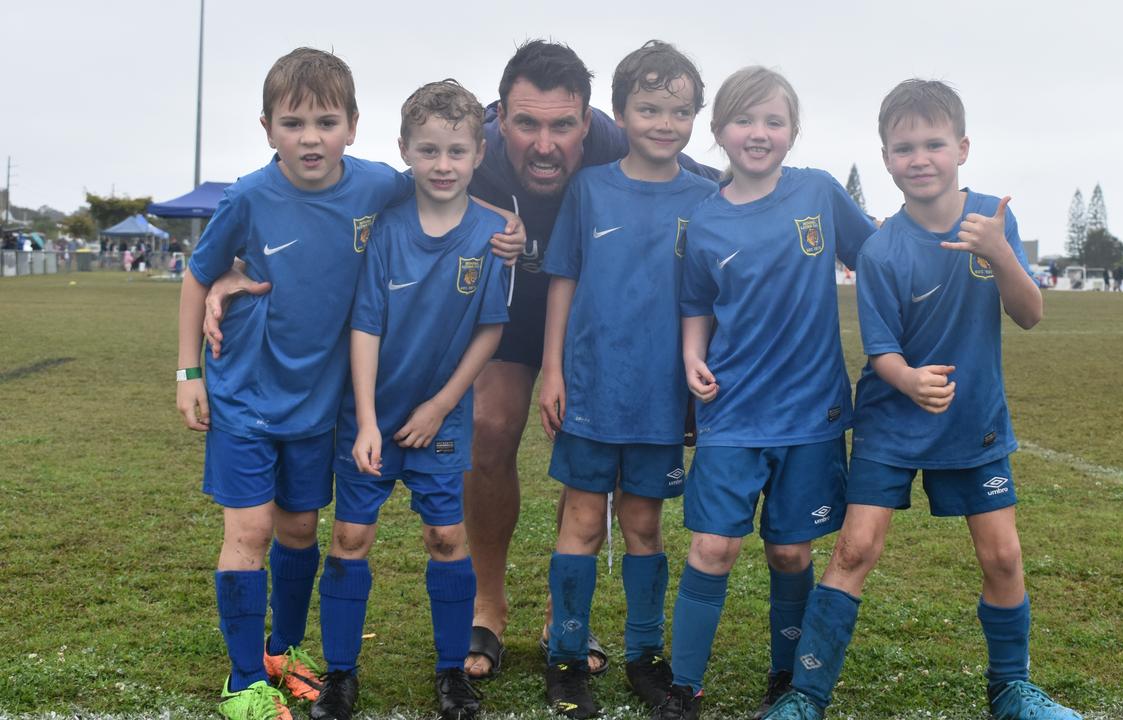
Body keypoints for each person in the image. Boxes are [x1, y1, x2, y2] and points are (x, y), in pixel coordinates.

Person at [176, 49, 524, 720]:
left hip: (319, 401)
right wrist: (190, 368)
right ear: (267, 127)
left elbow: (442, 177)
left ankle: (282, 651)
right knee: (251, 530)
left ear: (353, 128)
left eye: (326, 122)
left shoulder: (375, 185)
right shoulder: (249, 194)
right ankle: (245, 679)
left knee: (303, 526)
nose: (311, 137)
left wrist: (510, 230)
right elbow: (199, 273)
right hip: (249, 390)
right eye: (294, 122)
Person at [762, 79, 1078, 720]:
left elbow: (1031, 314)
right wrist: (907, 380)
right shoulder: (880, 250)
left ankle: (1011, 688)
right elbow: (880, 353)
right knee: (854, 550)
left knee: (1003, 553)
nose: (920, 158)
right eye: (903, 147)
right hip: (892, 421)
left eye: (934, 143)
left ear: (962, 147)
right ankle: (805, 696)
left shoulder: (993, 217)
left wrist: (998, 252)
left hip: (973, 420)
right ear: (885, 159)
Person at [460, 40, 718, 680]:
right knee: (490, 428)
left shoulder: (617, 144)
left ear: (590, 120)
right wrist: (235, 263)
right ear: (500, 117)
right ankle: (487, 607)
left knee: (590, 465)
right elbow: (391, 177)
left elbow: (721, 188)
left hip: (584, 315)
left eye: (562, 125)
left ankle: (562, 617)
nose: (545, 144)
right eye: (526, 124)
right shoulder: (474, 146)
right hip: (507, 310)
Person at [655, 66, 877, 720]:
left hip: (811, 414)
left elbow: (883, 257)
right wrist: (692, 356)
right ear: (719, 130)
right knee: (713, 547)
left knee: (789, 550)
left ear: (793, 131)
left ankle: (788, 680)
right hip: (731, 410)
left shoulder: (819, 193)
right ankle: (685, 686)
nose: (759, 133)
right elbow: (696, 301)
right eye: (744, 120)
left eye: (773, 121)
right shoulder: (702, 218)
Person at [312, 80, 510, 720]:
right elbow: (364, 324)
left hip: (440, 418)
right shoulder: (387, 229)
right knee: (349, 535)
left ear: (478, 153)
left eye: (456, 151)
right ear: (404, 150)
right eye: (428, 151)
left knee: (447, 538)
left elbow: (490, 328)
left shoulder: (491, 234)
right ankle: (340, 675)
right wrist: (367, 420)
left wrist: (442, 403)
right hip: (370, 416)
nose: (443, 165)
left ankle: (453, 675)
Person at [536, 41, 717, 719]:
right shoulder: (589, 187)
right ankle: (567, 653)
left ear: (695, 116)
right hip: (589, 389)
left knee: (643, 524)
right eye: (648, 107)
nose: (663, 122)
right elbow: (564, 278)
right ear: (620, 112)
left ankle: (644, 655)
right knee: (581, 522)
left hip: (660, 398)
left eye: (677, 109)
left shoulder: (706, 198)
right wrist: (552, 367)